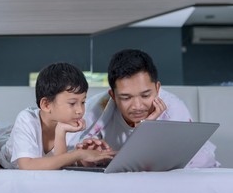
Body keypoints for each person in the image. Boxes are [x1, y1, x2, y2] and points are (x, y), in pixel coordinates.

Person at [78, 48, 219, 168]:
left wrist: (147, 128)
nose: (137, 106)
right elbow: (74, 155)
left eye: (145, 95)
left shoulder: (173, 109)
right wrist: (87, 158)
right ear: (113, 96)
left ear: (157, 88)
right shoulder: (97, 107)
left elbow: (186, 160)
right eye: (126, 98)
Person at [0, 62, 116, 170]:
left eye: (83, 102)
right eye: (72, 103)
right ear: (46, 105)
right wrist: (79, 154)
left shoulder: (71, 125)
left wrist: (61, 132)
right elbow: (27, 165)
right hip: (0, 153)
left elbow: (60, 166)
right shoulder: (27, 119)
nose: (80, 110)